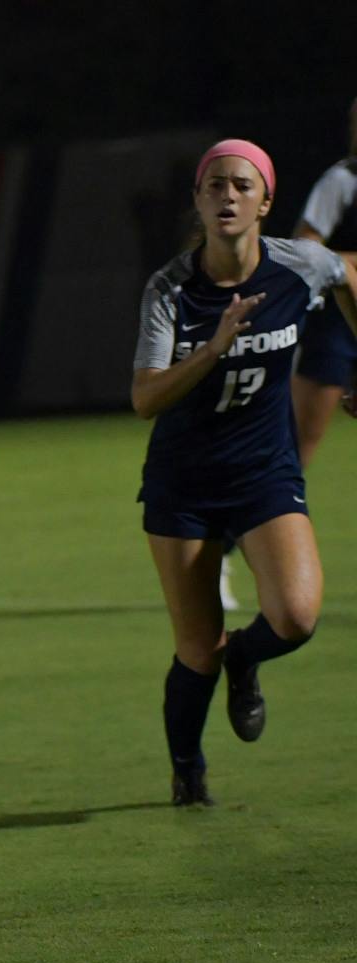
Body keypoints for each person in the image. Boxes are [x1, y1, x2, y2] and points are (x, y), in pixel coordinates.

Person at [130, 139, 357, 808]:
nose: (228, 195)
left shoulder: (297, 265)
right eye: (215, 185)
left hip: (264, 473)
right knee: (196, 648)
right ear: (198, 201)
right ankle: (187, 769)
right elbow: (145, 398)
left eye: (242, 185)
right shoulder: (171, 289)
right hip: (184, 484)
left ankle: (247, 657)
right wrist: (214, 348)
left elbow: (348, 275)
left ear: (266, 201)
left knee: (295, 615)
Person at [292, 96, 357, 469]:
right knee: (297, 444)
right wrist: (347, 264)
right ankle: (257, 523)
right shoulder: (342, 180)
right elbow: (304, 248)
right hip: (336, 327)